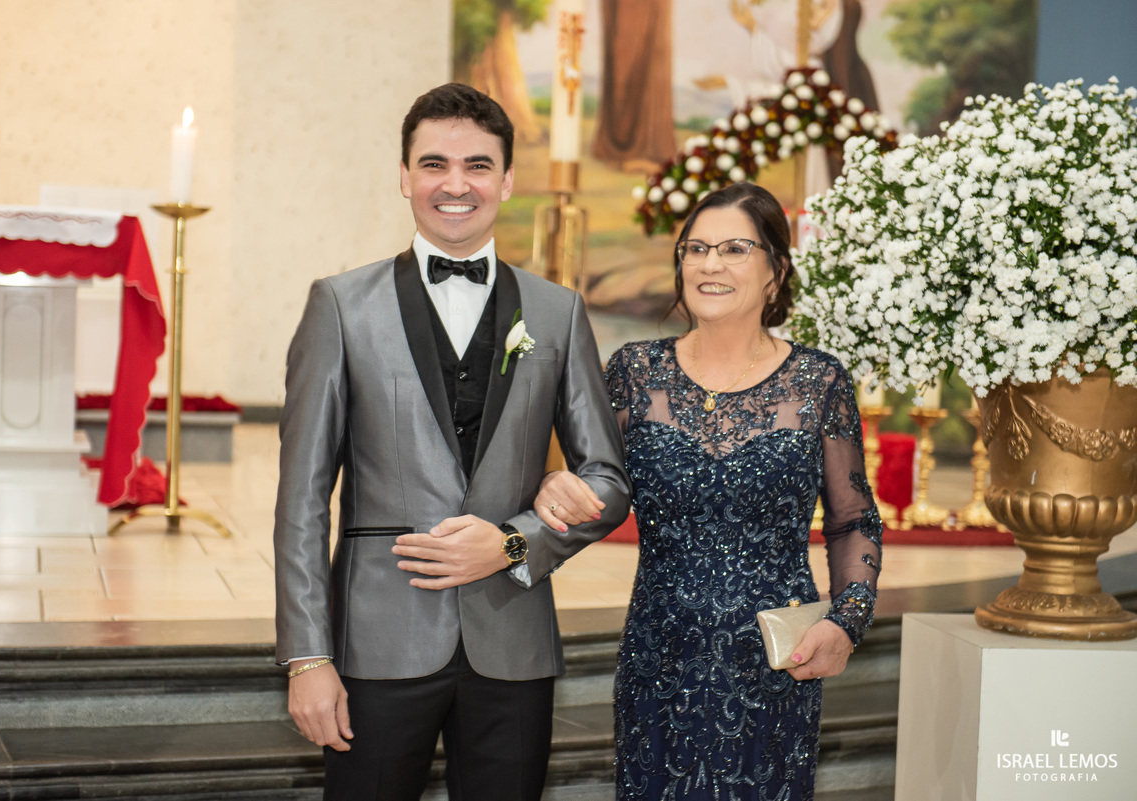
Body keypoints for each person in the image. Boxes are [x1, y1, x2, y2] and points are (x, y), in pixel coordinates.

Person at [273, 82, 631, 801]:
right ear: (405, 176)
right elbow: (302, 498)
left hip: (513, 639)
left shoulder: (558, 313)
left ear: (506, 180)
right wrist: (307, 655)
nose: (455, 184)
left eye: (476, 165)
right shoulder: (339, 305)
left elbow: (609, 480)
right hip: (377, 637)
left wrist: (517, 541)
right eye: (434, 164)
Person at [535, 182, 882, 800]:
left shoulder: (819, 380)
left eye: (733, 249)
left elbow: (851, 519)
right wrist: (551, 486)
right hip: (658, 653)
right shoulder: (635, 371)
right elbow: (594, 486)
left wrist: (847, 621)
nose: (710, 264)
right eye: (695, 249)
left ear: (776, 269)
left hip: (776, 660)